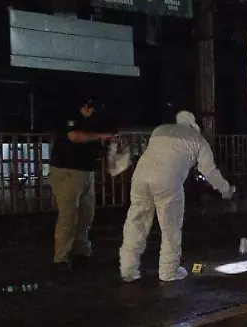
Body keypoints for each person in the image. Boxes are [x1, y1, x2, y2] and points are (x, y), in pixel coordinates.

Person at [119, 109, 234, 282]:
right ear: (194, 125)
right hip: (167, 180)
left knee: (136, 222)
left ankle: (128, 269)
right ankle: (169, 271)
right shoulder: (198, 140)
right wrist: (226, 190)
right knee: (170, 228)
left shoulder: (160, 130)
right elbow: (209, 171)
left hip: (140, 177)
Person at [49, 99, 114, 271]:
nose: (94, 114)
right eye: (92, 110)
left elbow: (90, 144)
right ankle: (61, 257)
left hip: (85, 172)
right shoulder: (71, 118)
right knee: (69, 215)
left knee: (86, 214)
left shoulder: (89, 123)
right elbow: (74, 136)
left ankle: (81, 252)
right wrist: (101, 136)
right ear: (86, 107)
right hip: (68, 170)